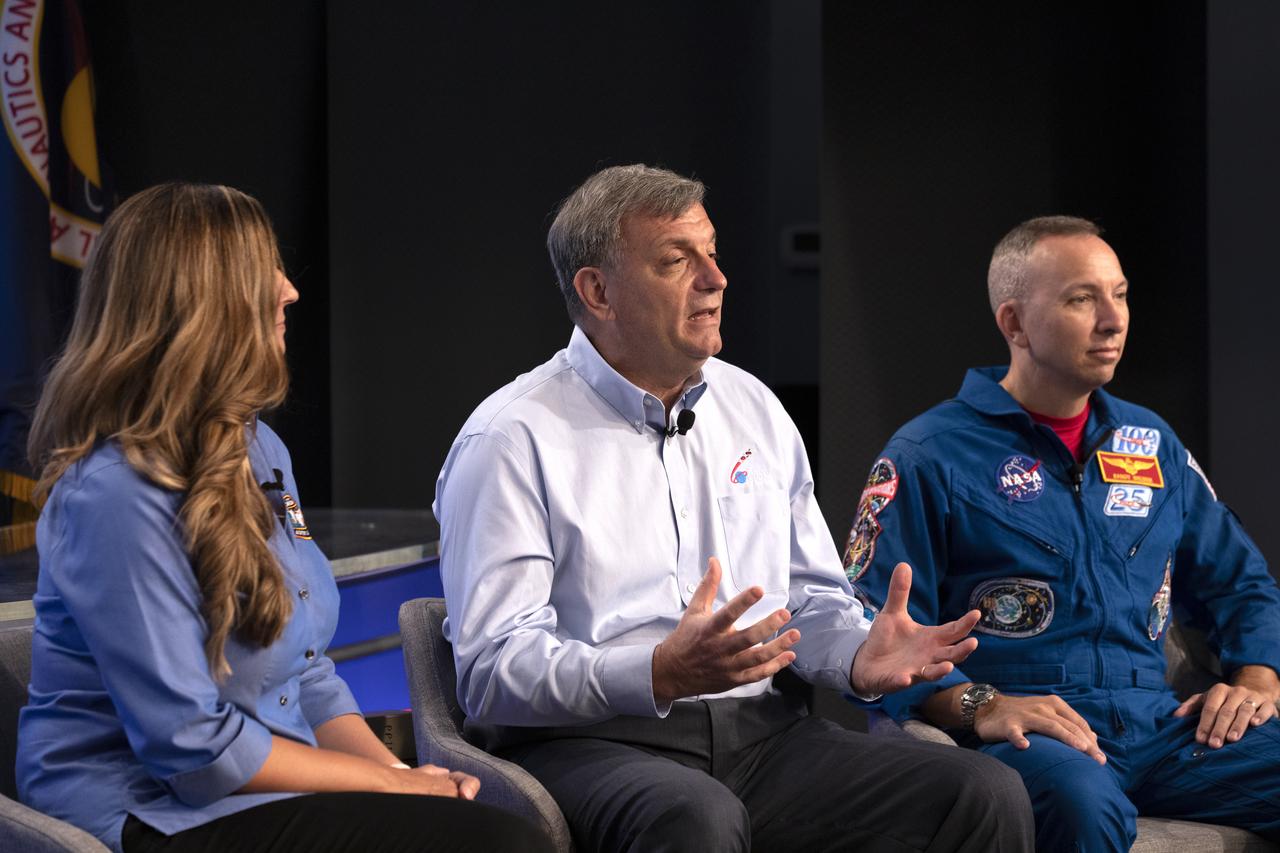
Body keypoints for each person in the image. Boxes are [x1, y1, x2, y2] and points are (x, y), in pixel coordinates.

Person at [433, 164, 1035, 852]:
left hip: (764, 737)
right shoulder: (511, 437)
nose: (715, 279)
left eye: (712, 253)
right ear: (598, 291)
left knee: (980, 793)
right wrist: (657, 670)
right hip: (591, 744)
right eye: (675, 260)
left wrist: (860, 654)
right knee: (695, 815)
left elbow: (807, 601)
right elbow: (489, 673)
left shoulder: (753, 407)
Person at [17, 183, 553, 853]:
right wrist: (381, 787)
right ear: (200, 305)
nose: (289, 289)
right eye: (261, 270)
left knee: (492, 829)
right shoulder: (113, 495)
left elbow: (307, 673)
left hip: (266, 793)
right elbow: (194, 752)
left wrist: (402, 773)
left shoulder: (259, 448)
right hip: (149, 812)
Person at [847, 215, 1280, 850]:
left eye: (1121, 294)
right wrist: (980, 706)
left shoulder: (1150, 442)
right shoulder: (929, 453)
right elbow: (870, 630)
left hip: (1158, 725)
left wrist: (1258, 677)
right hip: (1029, 723)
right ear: (1014, 323)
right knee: (1083, 807)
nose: (1114, 319)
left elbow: (1240, 582)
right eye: (1083, 299)